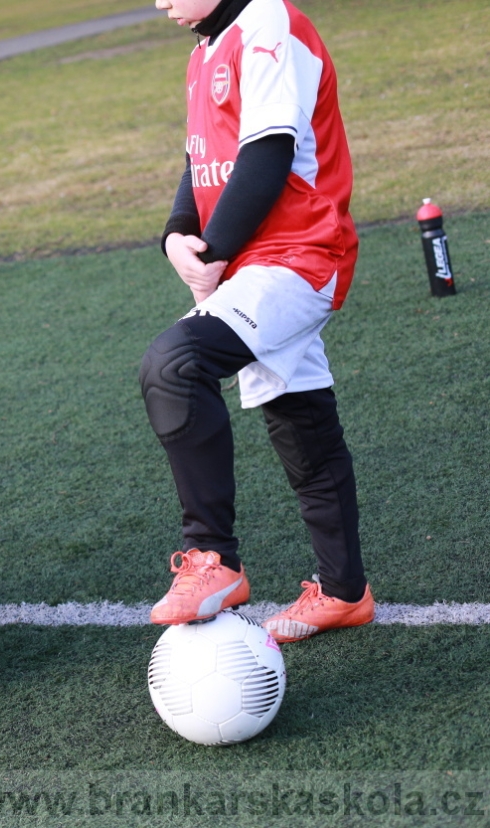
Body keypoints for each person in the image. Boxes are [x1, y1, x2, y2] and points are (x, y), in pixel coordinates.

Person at [140, 0, 373, 641]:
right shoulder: (204, 49)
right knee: (299, 414)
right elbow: (203, 162)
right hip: (253, 265)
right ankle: (345, 591)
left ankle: (214, 558)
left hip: (301, 254)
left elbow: (270, 150)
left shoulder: (268, 18)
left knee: (175, 365)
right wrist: (177, 234)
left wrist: (213, 251)